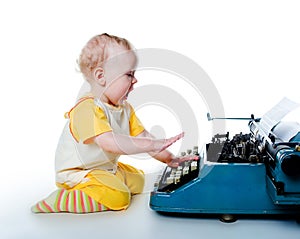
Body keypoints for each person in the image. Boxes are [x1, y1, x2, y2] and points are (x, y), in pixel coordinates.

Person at [31, 33, 194, 213]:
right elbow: (110, 142)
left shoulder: (124, 108)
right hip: (80, 173)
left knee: (139, 180)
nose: (135, 80)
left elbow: (144, 137)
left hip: (105, 168)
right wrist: (151, 144)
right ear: (101, 76)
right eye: (129, 74)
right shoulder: (87, 108)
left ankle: (108, 183)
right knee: (119, 197)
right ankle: (63, 199)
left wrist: (170, 158)